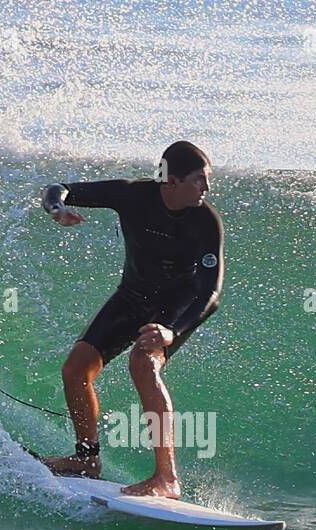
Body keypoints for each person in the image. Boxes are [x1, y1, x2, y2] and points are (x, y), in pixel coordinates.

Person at [37, 140, 224, 499]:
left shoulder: (205, 221)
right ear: (171, 181)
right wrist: (56, 209)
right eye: (199, 179)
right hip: (132, 296)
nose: (206, 188)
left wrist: (172, 331)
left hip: (175, 308)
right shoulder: (132, 195)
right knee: (75, 370)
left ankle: (167, 478)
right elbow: (59, 189)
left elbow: (209, 293)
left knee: (143, 364)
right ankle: (86, 460)